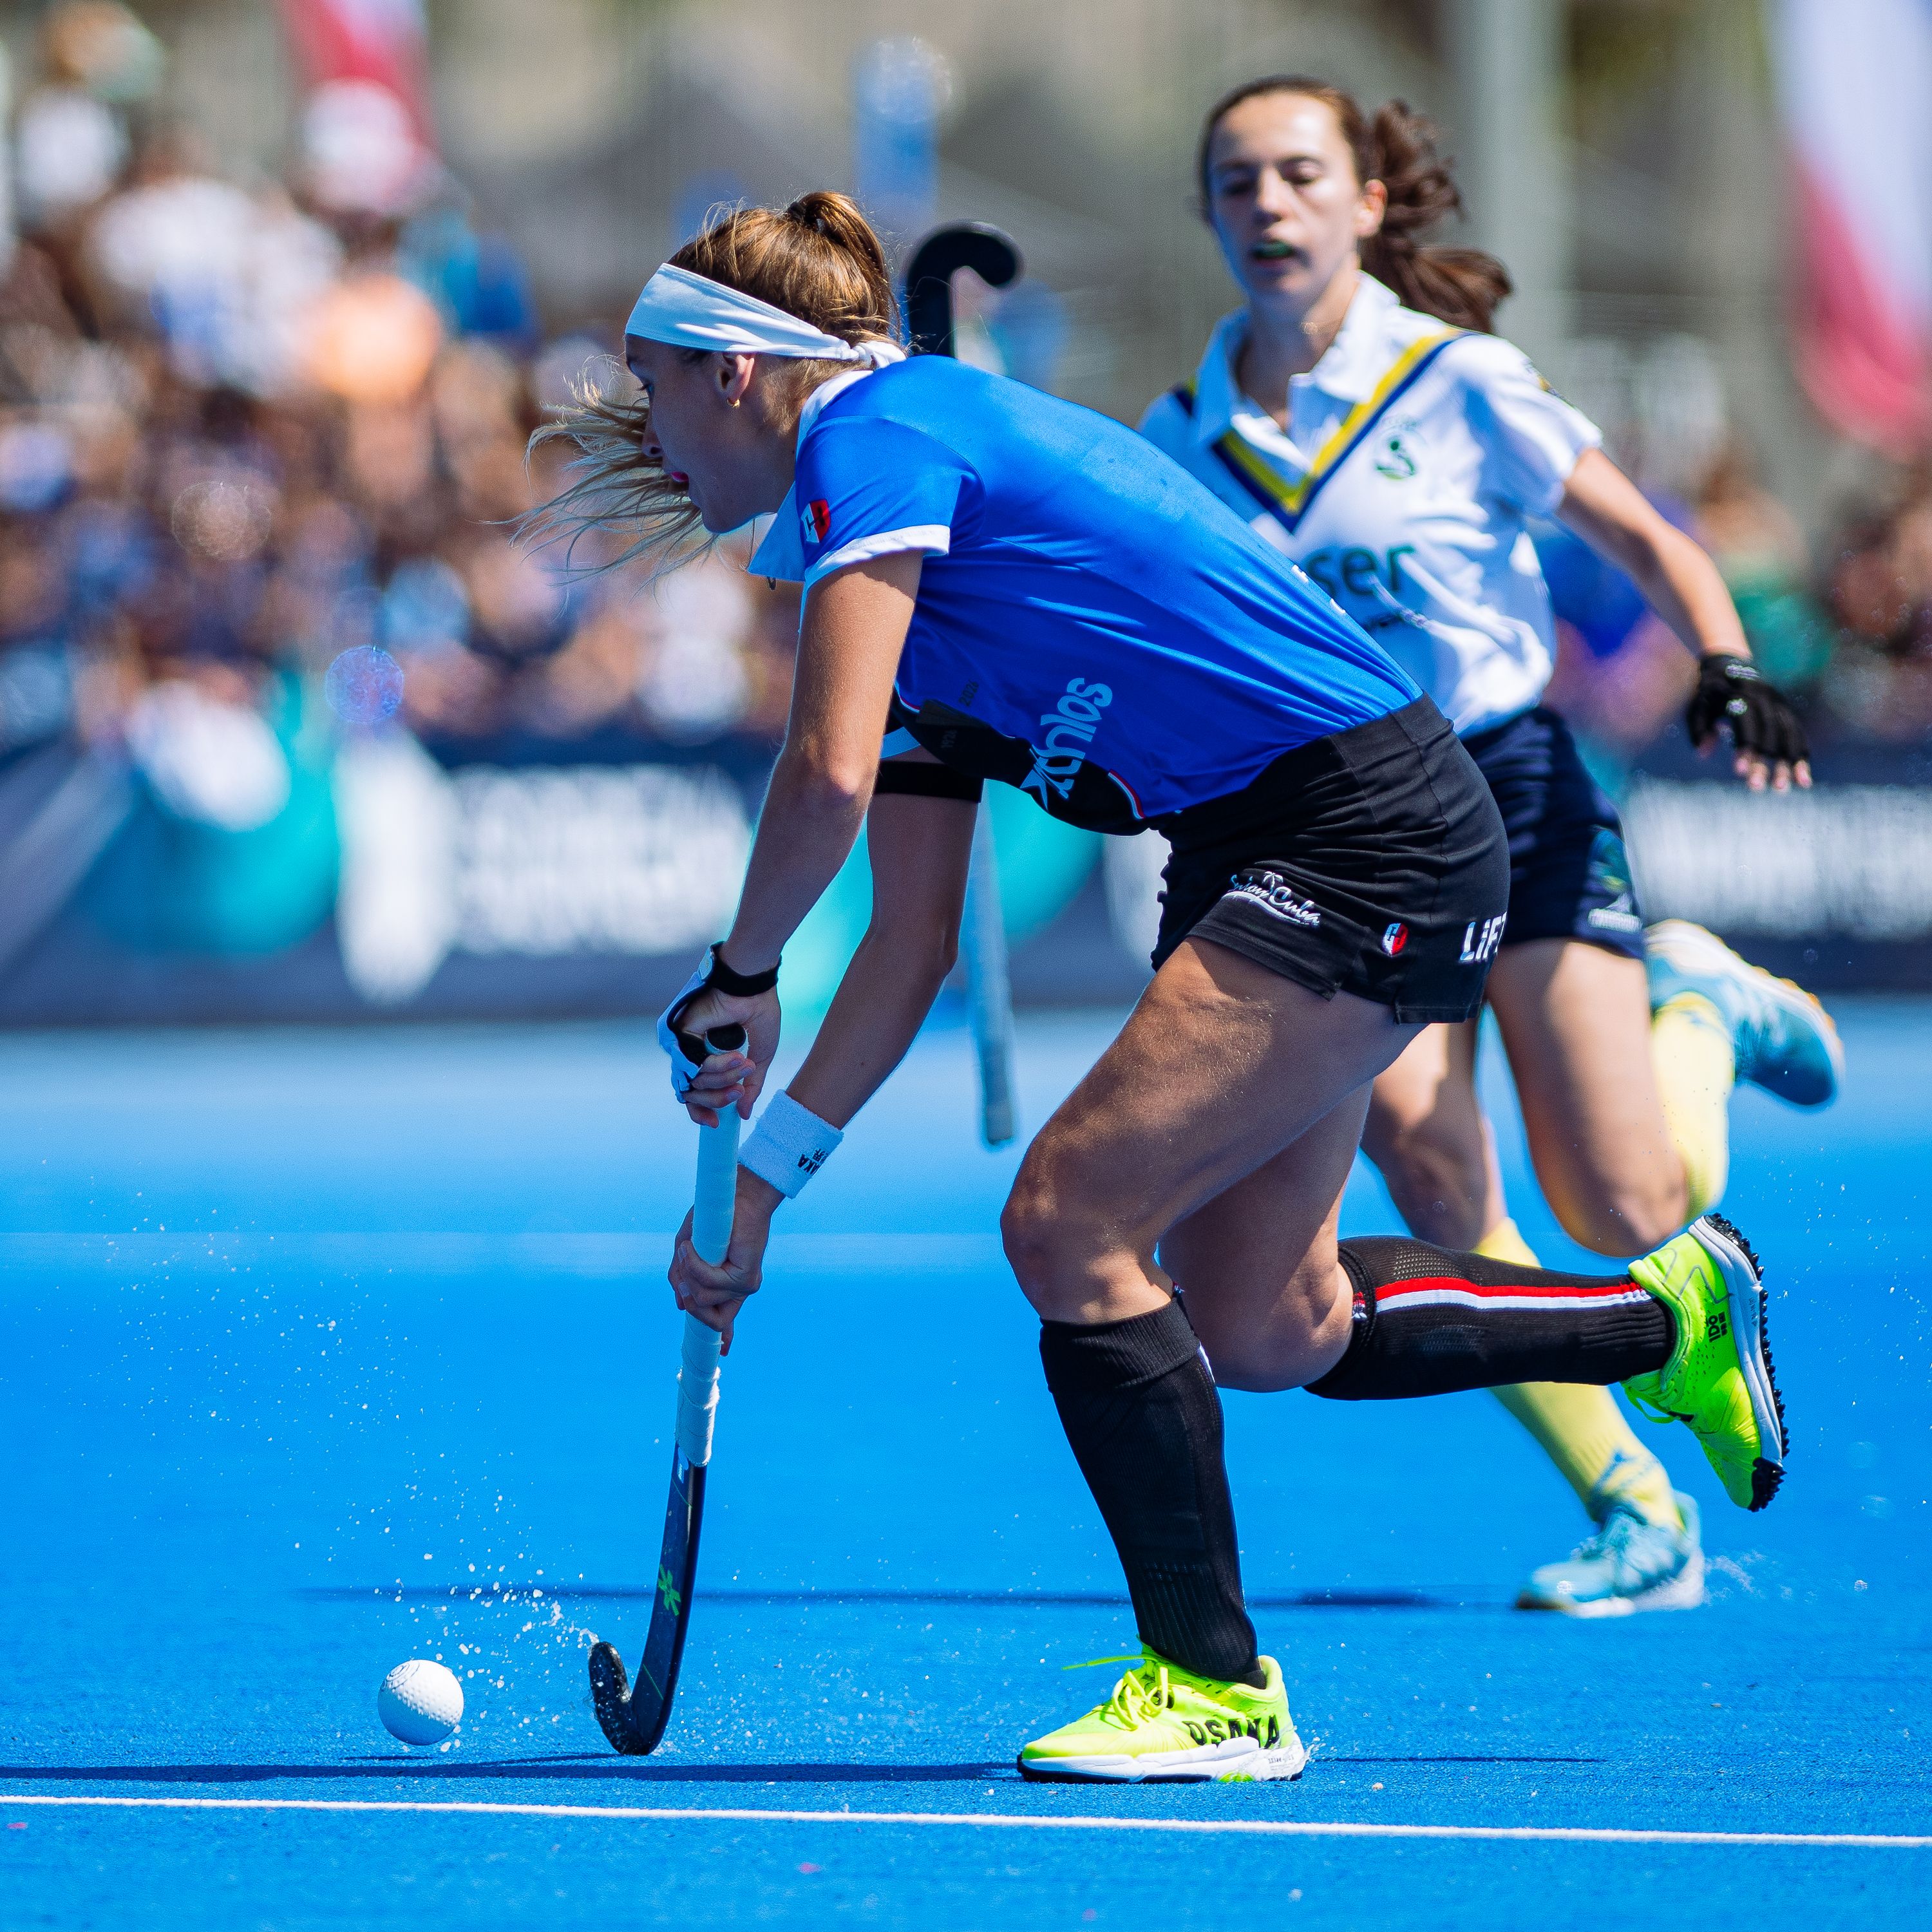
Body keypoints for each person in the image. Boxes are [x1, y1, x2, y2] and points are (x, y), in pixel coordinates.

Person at [531, 194, 1786, 1783]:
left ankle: (1214, 1687)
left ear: (735, 370)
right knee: (1265, 1320)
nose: (649, 429)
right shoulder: (892, 555)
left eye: (654, 382)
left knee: (1068, 1222)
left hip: (1361, 826)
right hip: (1260, 843)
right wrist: (764, 1185)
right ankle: (1662, 1318)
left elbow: (822, 774)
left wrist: (740, 970)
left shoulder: (880, 433)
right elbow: (908, 945)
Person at [1139, 77, 1835, 1618]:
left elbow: (1647, 535)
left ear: (1366, 202)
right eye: (1237, 181)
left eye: (1299, 174)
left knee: (1623, 1208)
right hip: (1345, 835)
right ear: (1208, 213)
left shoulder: (1454, 380)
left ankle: (1703, 1016)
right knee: (1432, 1162)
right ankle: (1633, 1504)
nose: (1268, 205)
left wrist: (1724, 660)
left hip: (1510, 790)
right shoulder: (1178, 439)